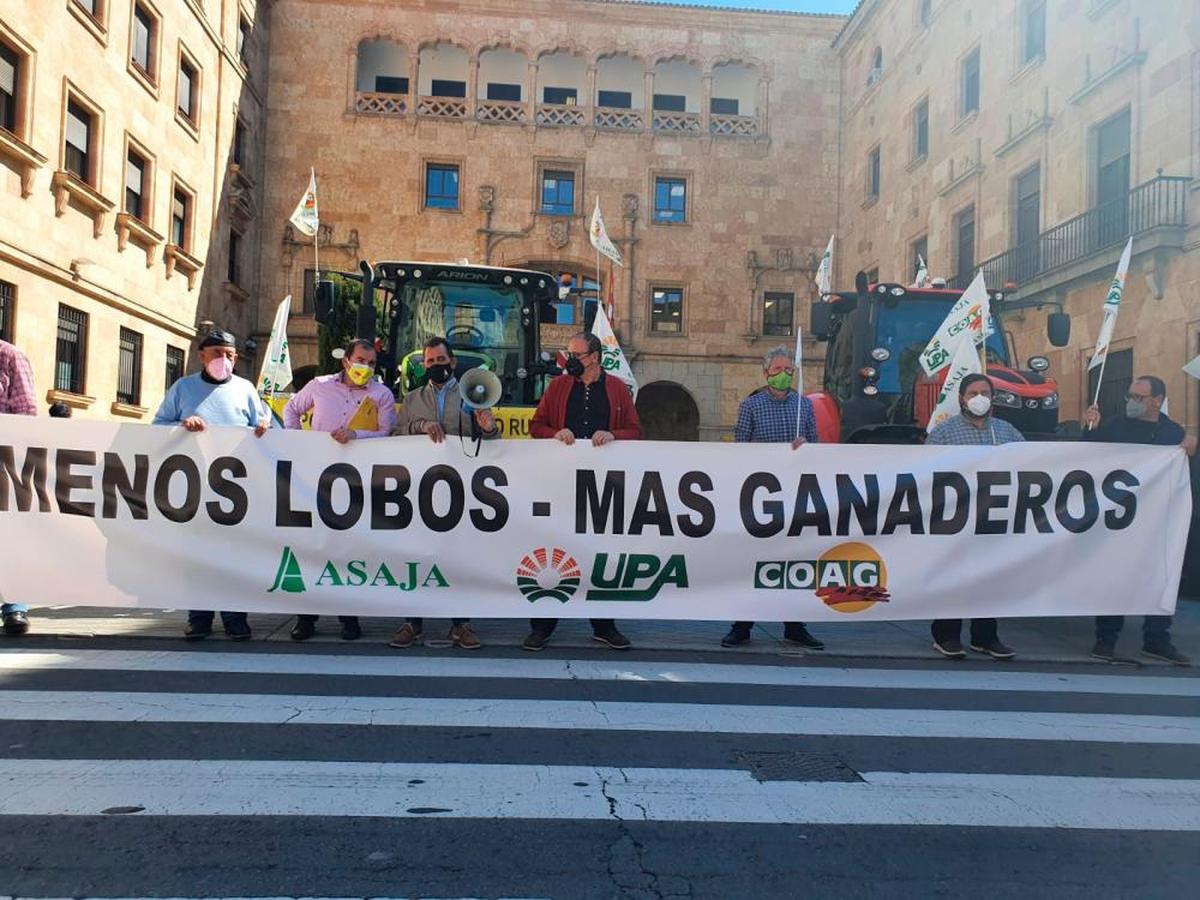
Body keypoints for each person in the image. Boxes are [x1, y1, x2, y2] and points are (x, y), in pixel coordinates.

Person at [523, 331, 642, 651]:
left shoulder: (617, 389)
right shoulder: (558, 386)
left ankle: (603, 624)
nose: (569, 360)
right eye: (569, 354)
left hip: (603, 487)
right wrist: (555, 432)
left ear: (594, 357)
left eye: (576, 355)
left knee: (600, 552)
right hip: (561, 483)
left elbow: (635, 429)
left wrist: (613, 434)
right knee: (554, 550)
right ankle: (542, 625)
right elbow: (537, 426)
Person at [153, 330, 268, 641]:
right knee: (198, 555)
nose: (224, 359)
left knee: (235, 555)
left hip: (235, 489)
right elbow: (157, 426)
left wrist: (263, 426)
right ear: (201, 356)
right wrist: (182, 424)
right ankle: (199, 618)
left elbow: (265, 424)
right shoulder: (183, 388)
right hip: (195, 487)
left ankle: (235, 618)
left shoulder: (245, 389)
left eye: (229, 355)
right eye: (217, 353)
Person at [388, 336, 500, 651]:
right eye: (430, 361)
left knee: (458, 556)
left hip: (461, 488)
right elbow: (394, 435)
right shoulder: (411, 399)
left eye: (441, 360)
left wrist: (488, 426)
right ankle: (413, 621)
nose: (436, 366)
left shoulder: (474, 394)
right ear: (424, 365)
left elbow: (492, 440)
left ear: (452, 363)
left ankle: (460, 623)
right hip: (419, 489)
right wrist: (420, 425)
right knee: (417, 554)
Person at [283, 338, 398, 642]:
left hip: (357, 482)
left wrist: (355, 435)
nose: (366, 367)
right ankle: (306, 619)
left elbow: (385, 433)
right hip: (316, 481)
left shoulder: (382, 394)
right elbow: (292, 410)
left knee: (348, 551)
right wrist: (298, 443)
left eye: (372, 363)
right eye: (361, 360)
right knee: (313, 549)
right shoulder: (319, 385)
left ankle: (349, 617)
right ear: (346, 361)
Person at [1084, 375, 1194, 665]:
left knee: (1161, 578)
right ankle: (1105, 640)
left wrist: (1190, 446)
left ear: (1157, 401)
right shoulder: (1115, 427)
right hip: (1121, 521)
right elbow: (1086, 457)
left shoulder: (1172, 434)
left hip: (1157, 522)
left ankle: (1157, 639)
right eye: (1130, 397)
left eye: (1138, 397)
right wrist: (1089, 429)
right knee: (1115, 579)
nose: (1131, 402)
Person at [721, 347, 824, 650]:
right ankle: (742, 626)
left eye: (789, 369)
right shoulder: (751, 405)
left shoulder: (804, 406)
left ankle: (794, 626)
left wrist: (805, 445)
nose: (784, 374)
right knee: (754, 562)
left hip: (794, 497)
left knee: (793, 563)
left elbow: (816, 445)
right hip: (761, 498)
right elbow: (741, 445)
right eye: (778, 369)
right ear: (765, 373)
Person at [925, 373, 1024, 660]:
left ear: (992, 398)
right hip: (956, 518)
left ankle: (986, 637)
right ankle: (947, 636)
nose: (979, 397)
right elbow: (926, 471)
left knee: (989, 577)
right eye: (972, 393)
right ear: (961, 398)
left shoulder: (1007, 432)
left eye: (984, 392)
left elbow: (1030, 463)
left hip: (994, 517)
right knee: (952, 576)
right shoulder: (944, 433)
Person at [1, 338, 37, 635]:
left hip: (3, 463)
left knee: (8, 536)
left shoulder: (9, 356)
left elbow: (26, 413)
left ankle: (14, 607)